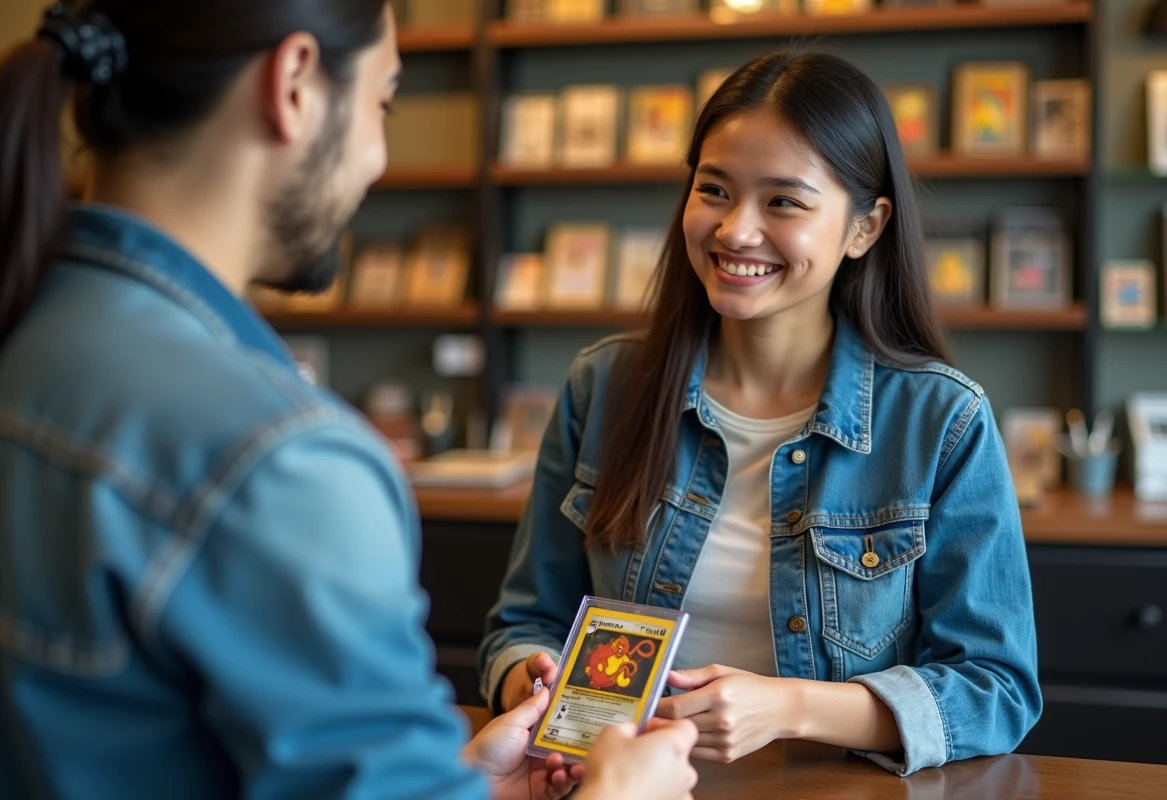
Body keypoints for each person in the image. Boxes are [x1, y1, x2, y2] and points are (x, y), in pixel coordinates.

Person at [0, 2, 699, 798]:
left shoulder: (32, 333)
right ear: (294, 84)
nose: (377, 159)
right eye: (383, 104)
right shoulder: (281, 457)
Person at [480, 51, 1042, 777]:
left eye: (783, 202)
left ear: (865, 228)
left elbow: (995, 689)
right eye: (714, 190)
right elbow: (525, 623)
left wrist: (789, 708)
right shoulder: (604, 385)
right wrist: (537, 688)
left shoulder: (942, 420)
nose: (735, 231)